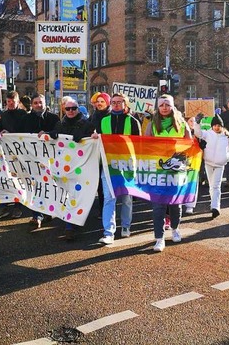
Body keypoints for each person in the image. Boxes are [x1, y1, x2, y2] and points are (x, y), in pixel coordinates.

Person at [143, 95, 190, 252]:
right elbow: (145, 145)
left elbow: (190, 145)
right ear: (158, 107)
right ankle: (159, 238)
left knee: (175, 203)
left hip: (177, 171)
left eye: (167, 104)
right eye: (161, 104)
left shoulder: (181, 124)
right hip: (158, 171)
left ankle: (175, 229)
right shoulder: (152, 125)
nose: (164, 107)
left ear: (172, 106)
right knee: (158, 205)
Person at [46, 96, 97, 241]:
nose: (71, 111)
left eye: (73, 108)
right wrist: (51, 134)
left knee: (77, 194)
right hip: (65, 166)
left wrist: (87, 136)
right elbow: (53, 137)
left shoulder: (86, 123)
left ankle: (71, 225)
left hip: (81, 166)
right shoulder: (60, 124)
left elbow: (94, 138)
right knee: (67, 193)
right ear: (64, 109)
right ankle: (70, 223)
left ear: (77, 108)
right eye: (68, 109)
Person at [98, 93, 141, 245]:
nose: (116, 105)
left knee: (127, 198)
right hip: (109, 164)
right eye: (114, 102)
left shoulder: (134, 121)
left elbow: (139, 145)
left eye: (119, 102)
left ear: (125, 104)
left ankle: (126, 226)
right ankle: (108, 232)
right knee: (109, 198)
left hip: (127, 165)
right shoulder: (104, 120)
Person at [22, 93, 60, 229]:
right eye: (36, 103)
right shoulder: (25, 118)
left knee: (49, 186)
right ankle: (36, 215)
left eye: (40, 102)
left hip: (50, 159)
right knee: (34, 187)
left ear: (45, 103)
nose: (39, 105)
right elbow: (17, 134)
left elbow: (59, 133)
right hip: (32, 160)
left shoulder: (54, 118)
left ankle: (48, 212)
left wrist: (49, 134)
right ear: (32, 105)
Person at [0, 91, 29, 220]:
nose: (11, 104)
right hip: (6, 153)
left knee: (18, 179)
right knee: (4, 178)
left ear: (17, 101)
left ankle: (18, 206)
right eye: (8, 102)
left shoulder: (23, 114)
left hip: (19, 153)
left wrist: (10, 133)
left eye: (13, 102)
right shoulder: (4, 114)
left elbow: (25, 131)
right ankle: (4, 206)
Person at [193, 112, 229, 220]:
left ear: (222, 126)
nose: (216, 127)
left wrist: (226, 158)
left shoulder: (226, 137)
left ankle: (216, 207)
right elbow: (198, 133)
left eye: (218, 125)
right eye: (215, 125)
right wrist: (197, 122)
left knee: (216, 186)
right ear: (212, 126)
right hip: (208, 163)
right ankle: (213, 204)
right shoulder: (208, 134)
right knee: (212, 185)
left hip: (220, 165)